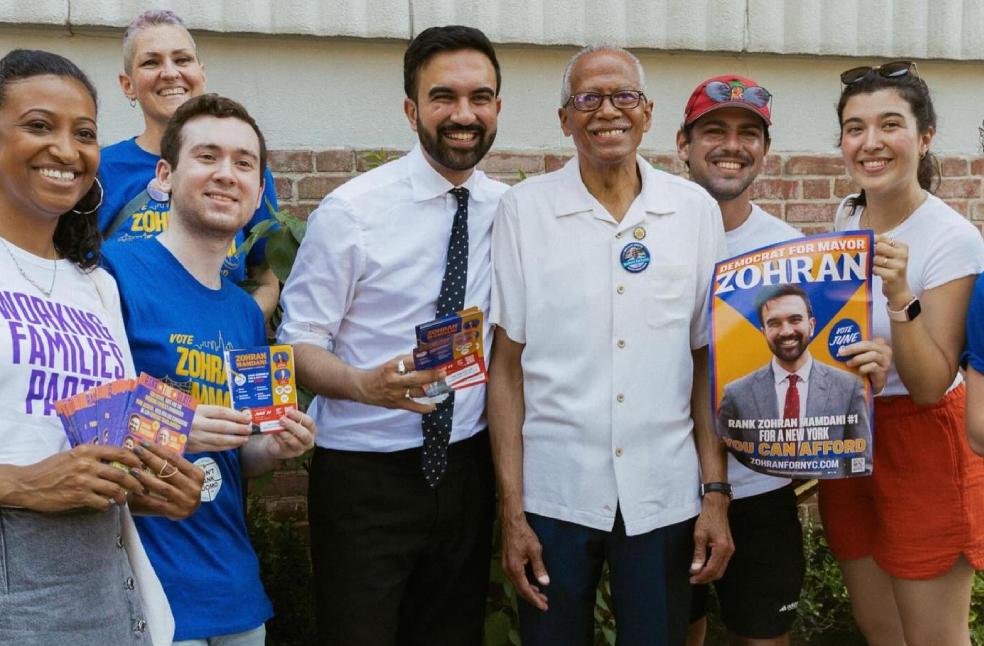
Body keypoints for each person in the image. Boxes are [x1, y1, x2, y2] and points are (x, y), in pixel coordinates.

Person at [488, 44, 732, 645]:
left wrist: (715, 494)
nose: (607, 111)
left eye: (623, 96)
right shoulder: (525, 212)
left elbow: (708, 363)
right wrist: (512, 512)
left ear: (647, 113)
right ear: (564, 118)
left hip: (664, 492)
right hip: (555, 494)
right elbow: (506, 371)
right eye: (587, 98)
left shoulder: (694, 211)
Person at [277, 25, 506, 645]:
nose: (463, 114)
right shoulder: (352, 213)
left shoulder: (509, 213)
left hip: (465, 468)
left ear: (497, 108)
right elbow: (296, 341)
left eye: (479, 97)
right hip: (365, 479)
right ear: (412, 110)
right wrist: (360, 384)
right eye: (443, 97)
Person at [0, 48, 202, 645]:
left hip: (110, 588)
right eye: (39, 126)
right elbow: (39, 470)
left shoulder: (98, 285)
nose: (67, 150)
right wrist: (19, 483)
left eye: (84, 133)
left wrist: (157, 482)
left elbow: (107, 440)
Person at [101, 94, 315, 645]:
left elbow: (240, 456)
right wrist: (173, 423)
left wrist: (274, 447)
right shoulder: (112, 272)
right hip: (148, 589)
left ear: (258, 187)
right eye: (208, 157)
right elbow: (73, 410)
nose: (227, 175)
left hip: (234, 589)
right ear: (166, 174)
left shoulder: (246, 313)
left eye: (244, 163)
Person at [818, 61, 984, 646]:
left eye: (890, 124)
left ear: (925, 136)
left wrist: (899, 295)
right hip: (851, 435)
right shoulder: (846, 217)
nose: (871, 143)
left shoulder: (952, 238)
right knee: (880, 629)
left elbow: (931, 383)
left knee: (934, 638)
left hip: (920, 439)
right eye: (854, 127)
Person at [676, 75, 806, 646]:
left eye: (748, 133)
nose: (733, 144)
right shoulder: (647, 234)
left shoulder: (793, 251)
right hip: (666, 484)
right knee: (676, 629)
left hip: (759, 487)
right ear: (683, 144)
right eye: (714, 130)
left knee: (764, 634)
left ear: (765, 151)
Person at [98, 9, 280, 319]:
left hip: (218, 355)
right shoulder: (102, 170)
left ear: (201, 72)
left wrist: (232, 324)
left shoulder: (242, 171)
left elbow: (266, 276)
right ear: (127, 84)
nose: (170, 73)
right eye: (151, 62)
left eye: (182, 60)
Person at [716, 284, 871, 463]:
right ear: (763, 332)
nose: (786, 331)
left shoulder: (849, 387)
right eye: (774, 323)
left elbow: (860, 459)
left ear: (811, 325)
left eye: (795, 320)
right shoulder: (735, 394)